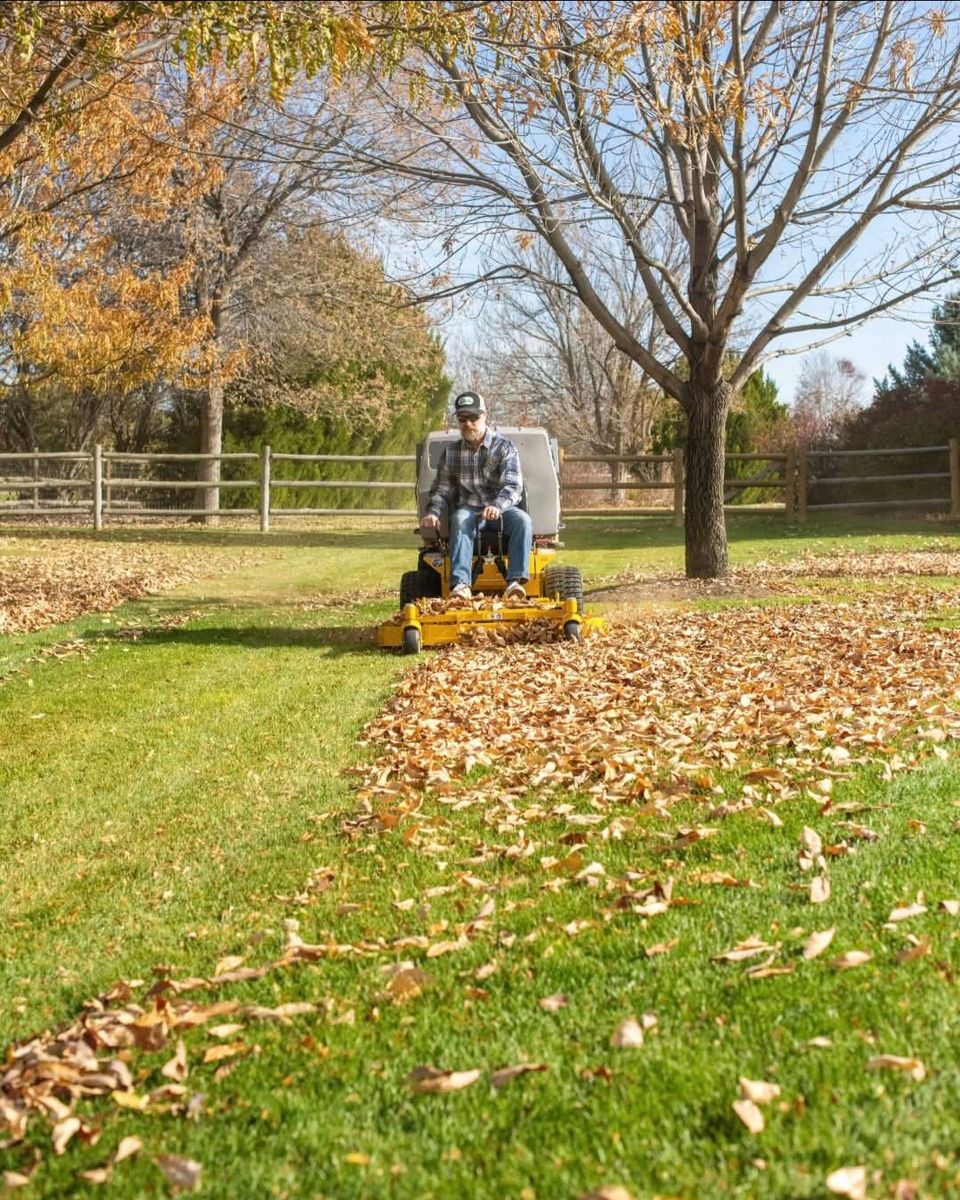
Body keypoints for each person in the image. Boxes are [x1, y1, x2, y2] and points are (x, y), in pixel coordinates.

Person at [422, 391, 533, 600]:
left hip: (502, 509)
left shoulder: (504, 447)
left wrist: (497, 506)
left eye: (473, 418)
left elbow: (513, 485)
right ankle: (461, 585)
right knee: (459, 519)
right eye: (463, 419)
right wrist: (433, 512)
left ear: (485, 416)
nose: (468, 424)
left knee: (524, 521)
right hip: (470, 509)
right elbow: (442, 489)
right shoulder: (451, 452)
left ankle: (515, 582)